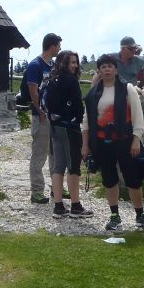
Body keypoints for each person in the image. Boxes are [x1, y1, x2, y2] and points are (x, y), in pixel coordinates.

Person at [81, 54, 144, 230]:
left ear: (116, 69)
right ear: (99, 71)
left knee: (133, 178)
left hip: (125, 141)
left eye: (110, 66)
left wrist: (136, 140)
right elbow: (87, 120)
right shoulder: (93, 93)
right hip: (102, 143)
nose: (107, 69)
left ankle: (140, 215)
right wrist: (85, 145)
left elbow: (138, 117)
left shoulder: (127, 89)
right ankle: (114, 215)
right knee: (109, 179)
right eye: (103, 67)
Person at [47, 50, 92, 219]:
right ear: (64, 63)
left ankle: (58, 206)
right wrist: (78, 119)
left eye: (75, 62)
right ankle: (76, 206)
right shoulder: (71, 81)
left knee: (58, 166)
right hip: (69, 128)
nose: (75, 65)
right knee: (74, 166)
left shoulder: (52, 80)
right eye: (72, 62)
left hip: (55, 127)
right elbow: (78, 106)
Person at [24, 33, 62, 203]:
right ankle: (37, 191)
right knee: (39, 154)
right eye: (58, 46)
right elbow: (33, 89)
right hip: (41, 116)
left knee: (55, 153)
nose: (59, 49)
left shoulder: (53, 65)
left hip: (53, 116)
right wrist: (39, 109)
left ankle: (57, 187)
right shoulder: (35, 65)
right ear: (52, 46)